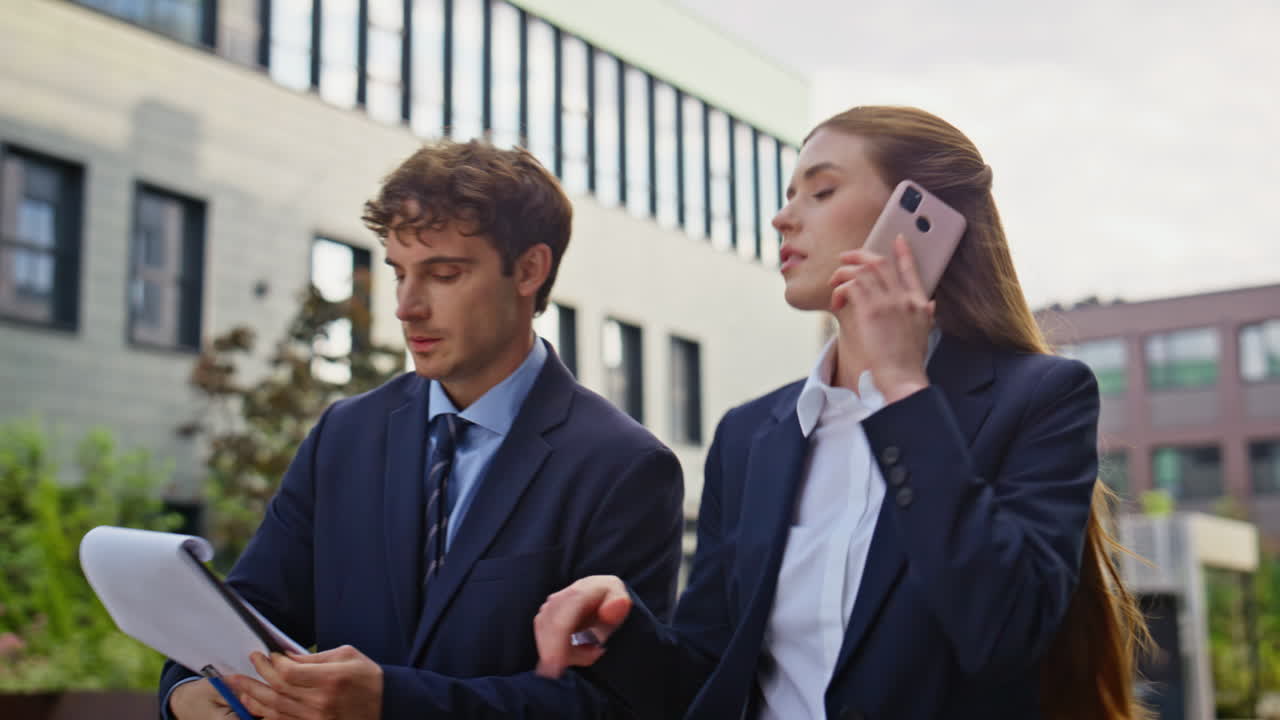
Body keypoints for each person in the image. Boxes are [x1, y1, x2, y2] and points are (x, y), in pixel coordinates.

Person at [534, 106, 1149, 720]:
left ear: (919, 218)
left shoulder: (1041, 397)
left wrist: (904, 389)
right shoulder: (749, 437)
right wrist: (623, 634)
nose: (781, 217)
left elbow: (1003, 630)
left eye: (822, 191)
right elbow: (709, 670)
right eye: (788, 195)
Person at [160, 139, 684, 719]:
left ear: (530, 269)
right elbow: (249, 611)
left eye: (443, 274)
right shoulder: (344, 434)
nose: (407, 307)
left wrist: (393, 703)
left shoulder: (625, 466)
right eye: (399, 273)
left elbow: (613, 706)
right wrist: (183, 694)